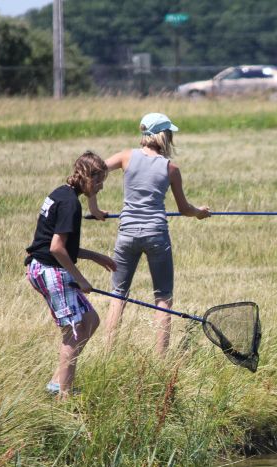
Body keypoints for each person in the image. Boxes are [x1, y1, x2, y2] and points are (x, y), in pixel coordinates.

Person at [88, 113, 210, 354]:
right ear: (164, 136)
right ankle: (161, 358)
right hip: (156, 234)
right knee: (163, 298)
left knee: (118, 295)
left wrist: (93, 207)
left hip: (127, 233)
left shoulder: (126, 157)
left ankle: (108, 354)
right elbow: (184, 209)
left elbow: (92, 171)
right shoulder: (171, 168)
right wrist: (199, 213)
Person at [25, 151, 117, 397]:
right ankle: (64, 397)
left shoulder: (61, 193)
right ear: (87, 176)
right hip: (50, 269)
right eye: (98, 181)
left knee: (90, 321)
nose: (101, 186)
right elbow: (56, 248)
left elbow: (60, 245)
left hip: (42, 266)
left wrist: (96, 256)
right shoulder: (70, 204)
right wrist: (80, 278)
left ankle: (58, 383)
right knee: (74, 331)